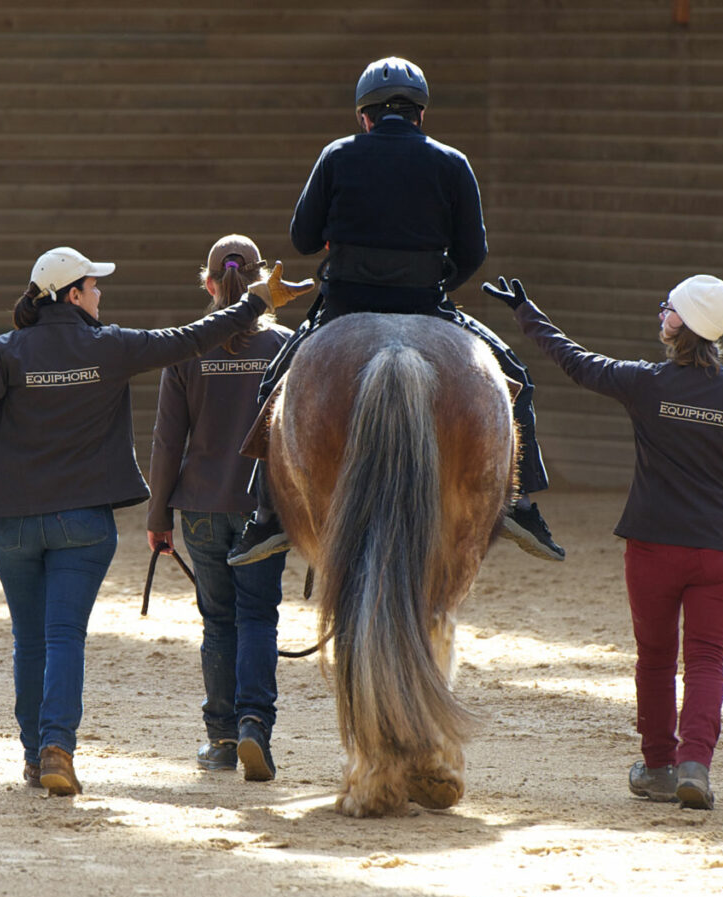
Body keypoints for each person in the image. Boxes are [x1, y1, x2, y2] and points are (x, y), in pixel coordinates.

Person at [0, 245, 312, 796]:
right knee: (64, 636)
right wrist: (257, 303)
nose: (100, 294)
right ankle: (58, 747)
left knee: (29, 642)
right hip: (84, 524)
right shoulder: (112, 347)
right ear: (72, 294)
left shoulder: (7, 352)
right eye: (94, 287)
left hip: (14, 524)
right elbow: (189, 339)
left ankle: (35, 756)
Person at [226, 56, 564, 567]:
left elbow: (300, 238)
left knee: (274, 385)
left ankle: (267, 514)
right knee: (515, 380)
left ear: (365, 116)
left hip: (344, 306)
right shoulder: (453, 162)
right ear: (420, 115)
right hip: (426, 305)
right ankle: (520, 503)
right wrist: (439, 281)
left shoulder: (337, 155)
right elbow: (473, 252)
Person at [483, 273, 723, 810]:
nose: (661, 313)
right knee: (708, 659)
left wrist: (527, 312)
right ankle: (695, 766)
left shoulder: (647, 383)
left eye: (668, 307)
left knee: (657, 660)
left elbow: (575, 361)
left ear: (681, 323)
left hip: (654, 549)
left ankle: (659, 767)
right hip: (720, 553)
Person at [147, 235, 293, 781]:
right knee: (259, 615)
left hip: (201, 504)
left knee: (218, 621)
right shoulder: (285, 343)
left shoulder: (187, 349)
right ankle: (256, 723)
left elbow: (167, 440)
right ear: (263, 285)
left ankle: (222, 737)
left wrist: (158, 516)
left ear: (209, 284)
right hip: (264, 508)